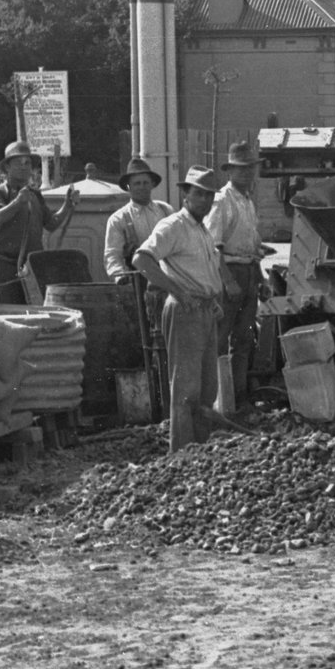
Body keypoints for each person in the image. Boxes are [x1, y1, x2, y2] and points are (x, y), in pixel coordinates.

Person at [133, 168, 232, 453]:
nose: (204, 199)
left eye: (209, 194)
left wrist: (210, 300)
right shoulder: (173, 226)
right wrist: (177, 291)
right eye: (198, 193)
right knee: (186, 389)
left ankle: (199, 451)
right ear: (185, 194)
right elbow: (142, 259)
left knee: (207, 388)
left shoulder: (201, 229)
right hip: (184, 310)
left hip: (204, 310)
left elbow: (200, 271)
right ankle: (181, 453)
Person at [206, 140, 267, 408]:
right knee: (220, 339)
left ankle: (239, 397)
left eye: (250, 168)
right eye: (240, 169)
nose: (246, 173)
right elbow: (212, 247)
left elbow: (252, 248)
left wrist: (261, 279)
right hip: (228, 272)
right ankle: (218, 400)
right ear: (229, 171)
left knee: (244, 339)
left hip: (249, 272)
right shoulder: (221, 201)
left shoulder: (248, 202)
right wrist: (228, 281)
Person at [0, 140, 78, 304]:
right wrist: (17, 203)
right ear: (7, 167)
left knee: (35, 314)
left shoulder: (35, 195)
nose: (24, 166)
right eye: (18, 162)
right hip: (5, 266)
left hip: (33, 267)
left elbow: (51, 224)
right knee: (6, 315)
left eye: (27, 163)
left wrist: (67, 205)